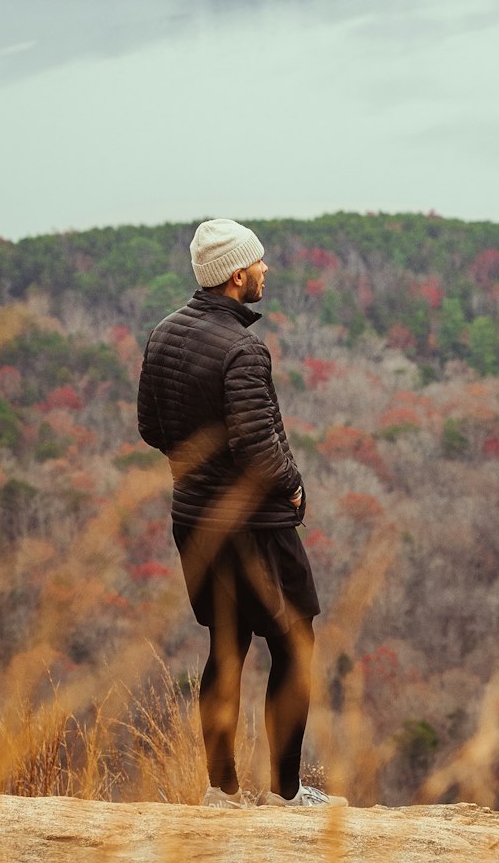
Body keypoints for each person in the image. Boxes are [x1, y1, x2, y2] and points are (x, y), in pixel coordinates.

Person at [137, 218, 346, 809]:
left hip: (194, 519)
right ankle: (286, 793)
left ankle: (221, 791)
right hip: (255, 527)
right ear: (236, 276)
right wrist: (294, 484)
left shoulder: (163, 334)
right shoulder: (242, 349)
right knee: (295, 644)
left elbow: (151, 428)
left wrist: (197, 467)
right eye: (258, 263)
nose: (265, 270)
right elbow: (259, 448)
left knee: (226, 647)